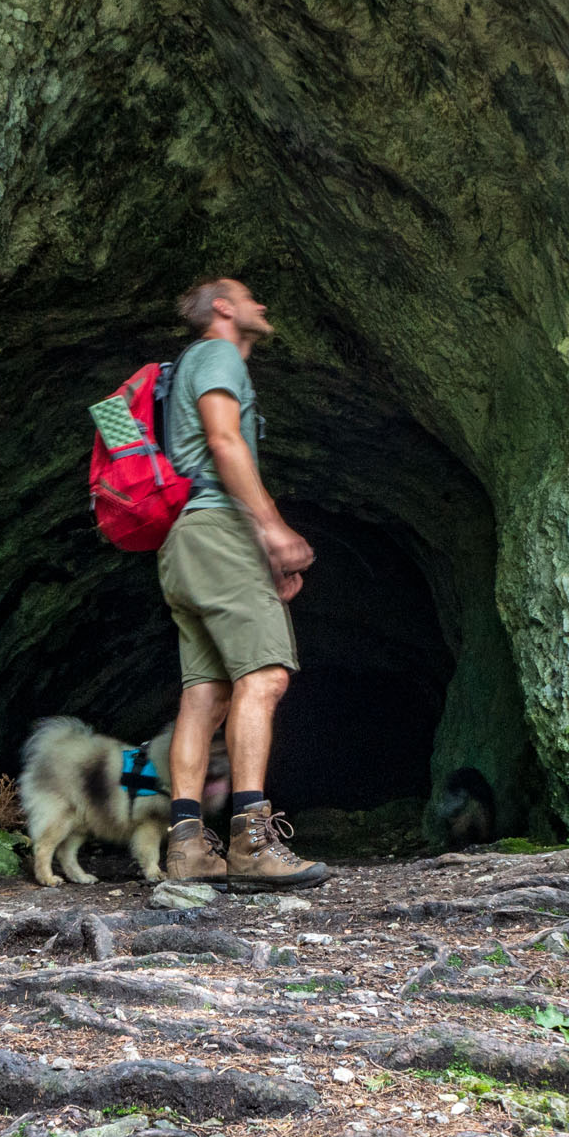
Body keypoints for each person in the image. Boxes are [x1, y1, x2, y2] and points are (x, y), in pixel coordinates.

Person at [157, 277, 329, 889]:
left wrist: (262, 554)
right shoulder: (218, 353)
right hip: (218, 531)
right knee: (265, 676)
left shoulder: (186, 366)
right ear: (224, 309)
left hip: (185, 543)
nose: (263, 303)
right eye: (251, 295)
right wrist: (274, 530)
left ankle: (187, 849)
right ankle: (251, 844)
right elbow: (225, 441)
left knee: (206, 694)